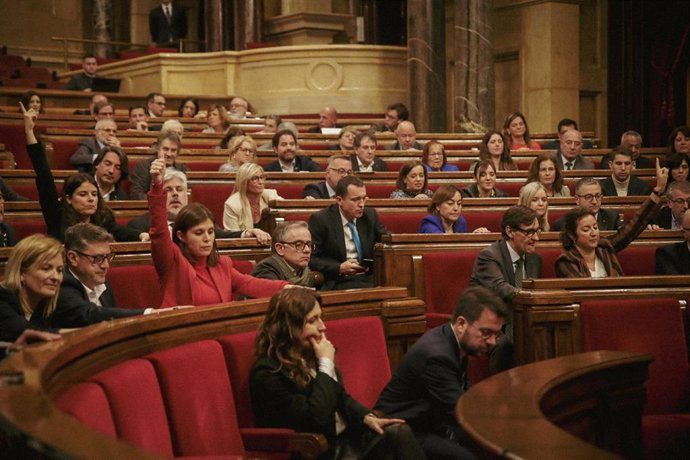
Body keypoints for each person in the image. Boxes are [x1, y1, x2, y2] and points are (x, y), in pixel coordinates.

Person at [251, 289, 424, 460]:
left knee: (398, 433)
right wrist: (326, 364)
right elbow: (315, 417)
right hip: (318, 450)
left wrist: (366, 417)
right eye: (313, 320)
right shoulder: (268, 372)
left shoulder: (311, 353)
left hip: (346, 441)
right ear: (289, 327)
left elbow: (341, 397)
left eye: (321, 317)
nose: (322, 326)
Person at [375, 286, 508, 460]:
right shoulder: (437, 356)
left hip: (432, 423)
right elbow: (459, 409)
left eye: (496, 335)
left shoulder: (452, 340)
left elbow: (464, 393)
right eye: (486, 333)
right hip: (405, 433)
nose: (492, 342)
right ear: (461, 324)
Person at [148, 158, 288, 307]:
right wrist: (157, 185)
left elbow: (250, 283)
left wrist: (285, 287)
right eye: (199, 233)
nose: (207, 239)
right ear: (181, 236)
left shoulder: (221, 264)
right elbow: (159, 232)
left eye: (210, 231)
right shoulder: (172, 262)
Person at [22, 102, 146, 243]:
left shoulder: (101, 217)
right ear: (68, 198)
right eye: (83, 194)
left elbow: (118, 231)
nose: (91, 199)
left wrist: (141, 235)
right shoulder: (57, 215)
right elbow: (44, 176)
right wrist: (29, 132)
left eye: (94, 194)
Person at [555, 160, 668, 277]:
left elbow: (632, 228)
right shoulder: (566, 261)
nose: (594, 233)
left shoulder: (605, 248)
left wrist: (658, 190)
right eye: (586, 229)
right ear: (573, 235)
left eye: (595, 227)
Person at [469, 206, 542, 372]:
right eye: (529, 232)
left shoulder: (534, 258)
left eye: (537, 231)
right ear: (510, 231)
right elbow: (500, 288)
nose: (536, 237)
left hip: (520, 321)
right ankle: (499, 394)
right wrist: (531, 296)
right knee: (504, 344)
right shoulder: (489, 256)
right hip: (488, 322)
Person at [54, 223, 150, 328]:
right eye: (98, 258)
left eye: (107, 257)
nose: (106, 265)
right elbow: (89, 315)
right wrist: (147, 313)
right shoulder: (61, 284)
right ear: (73, 258)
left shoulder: (103, 284)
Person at [127, 169, 264, 242]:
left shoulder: (199, 218)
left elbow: (222, 235)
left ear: (186, 195)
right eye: (168, 190)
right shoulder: (140, 225)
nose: (175, 194)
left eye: (179, 189)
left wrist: (247, 233)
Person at [308, 176, 388, 290]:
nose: (361, 204)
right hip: (338, 280)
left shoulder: (370, 215)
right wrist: (339, 267)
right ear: (339, 200)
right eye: (355, 199)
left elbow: (387, 240)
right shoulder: (321, 220)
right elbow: (312, 258)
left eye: (364, 198)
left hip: (369, 278)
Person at [0, 234, 63, 342]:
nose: (55, 277)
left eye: (59, 270)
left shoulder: (51, 301)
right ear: (21, 273)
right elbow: (24, 330)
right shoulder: (2, 298)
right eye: (46, 269)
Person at [251, 221, 317, 287]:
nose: (307, 250)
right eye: (298, 245)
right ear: (280, 248)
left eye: (309, 245)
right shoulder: (266, 269)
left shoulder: (305, 271)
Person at [223, 163, 282, 236]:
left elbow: (287, 212)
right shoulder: (233, 204)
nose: (261, 182)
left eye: (262, 177)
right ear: (244, 182)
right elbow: (232, 236)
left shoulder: (270, 195)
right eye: (255, 178)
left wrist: (275, 203)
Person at [129, 131, 188, 200]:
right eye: (165, 149)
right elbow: (136, 194)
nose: (169, 154)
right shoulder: (142, 167)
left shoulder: (182, 169)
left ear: (177, 153)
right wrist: (161, 201)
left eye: (173, 150)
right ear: (157, 149)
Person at [552, 178, 623, 232]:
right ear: (577, 200)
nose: (594, 201)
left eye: (598, 196)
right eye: (588, 197)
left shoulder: (612, 218)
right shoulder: (563, 224)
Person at [420, 184, 489, 234]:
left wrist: (475, 237)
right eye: (450, 203)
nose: (456, 208)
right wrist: (467, 238)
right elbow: (442, 242)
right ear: (438, 206)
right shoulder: (429, 223)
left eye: (459, 204)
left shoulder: (461, 222)